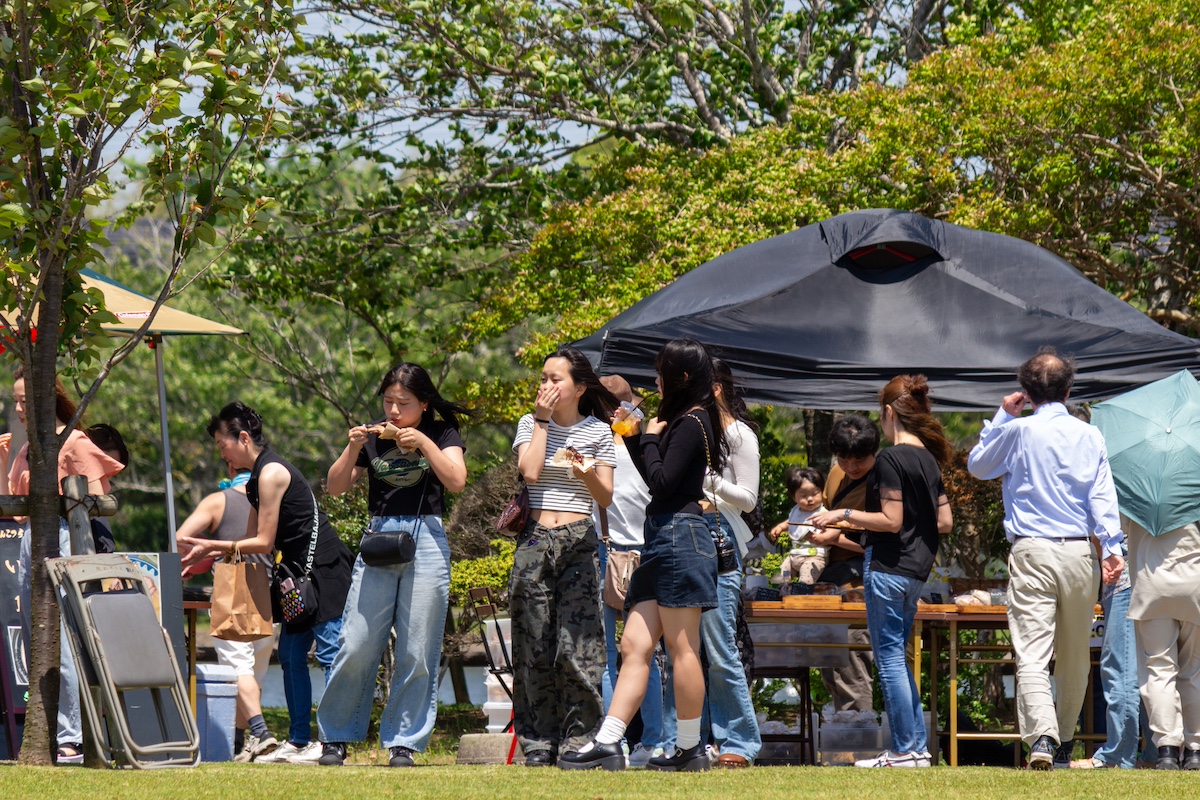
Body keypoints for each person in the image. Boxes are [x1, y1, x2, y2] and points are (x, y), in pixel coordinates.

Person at [560, 338, 724, 772]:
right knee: (634, 644)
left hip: (679, 537)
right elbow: (658, 478)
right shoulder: (685, 420)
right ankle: (610, 742)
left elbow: (665, 482)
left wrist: (648, 437)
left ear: (681, 378)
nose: (655, 379)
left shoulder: (692, 420)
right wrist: (637, 438)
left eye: (661, 372)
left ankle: (690, 749)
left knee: (682, 648)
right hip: (663, 538)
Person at [967, 347, 1124, 769]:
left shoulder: (1016, 431)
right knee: (1075, 653)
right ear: (1069, 391)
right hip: (1078, 551)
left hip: (1032, 548)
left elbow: (978, 466)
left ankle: (1042, 737)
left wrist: (1003, 415)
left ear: (1026, 392)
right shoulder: (1089, 434)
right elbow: (1102, 496)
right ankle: (1065, 740)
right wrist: (1112, 548)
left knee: (1032, 652)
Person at [180, 402, 354, 764]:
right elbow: (247, 542)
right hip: (295, 579)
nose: (220, 452)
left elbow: (261, 541)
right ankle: (300, 741)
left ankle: (335, 740)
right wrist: (209, 557)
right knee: (290, 656)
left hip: (323, 571)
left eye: (221, 443)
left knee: (328, 655)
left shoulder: (272, 473)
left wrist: (211, 544)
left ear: (243, 438)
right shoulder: (258, 477)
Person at [316, 363, 469, 768]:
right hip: (380, 539)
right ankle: (335, 736)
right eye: (388, 401)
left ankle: (404, 741)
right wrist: (351, 448)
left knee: (417, 648)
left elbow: (456, 480)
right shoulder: (372, 435)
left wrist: (423, 444)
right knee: (357, 641)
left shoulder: (441, 433)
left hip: (427, 539)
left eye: (404, 403)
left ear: (424, 403)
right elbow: (334, 488)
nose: (394, 410)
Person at [810, 374, 953, 768]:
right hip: (916, 570)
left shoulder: (891, 457)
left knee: (888, 657)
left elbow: (890, 520)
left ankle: (906, 749)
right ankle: (917, 748)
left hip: (888, 567)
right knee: (897, 658)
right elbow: (944, 522)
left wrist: (842, 514)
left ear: (888, 413)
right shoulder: (927, 458)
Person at [1, 367, 124, 765]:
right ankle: (51, 732)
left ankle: (73, 736)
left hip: (64, 537)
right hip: (31, 541)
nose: (19, 408)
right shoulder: (27, 448)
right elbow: (15, 509)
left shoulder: (71, 441)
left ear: (47, 397)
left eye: (25, 400)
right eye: (15, 401)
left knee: (68, 638)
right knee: (39, 641)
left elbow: (98, 494)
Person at [509, 345, 617, 767]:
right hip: (535, 537)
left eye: (556, 379)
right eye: (543, 378)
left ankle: (579, 740)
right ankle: (537, 743)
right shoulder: (529, 423)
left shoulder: (599, 430)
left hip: (579, 537)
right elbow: (531, 472)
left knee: (579, 646)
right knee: (532, 643)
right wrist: (540, 421)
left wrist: (585, 469)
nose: (546, 386)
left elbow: (604, 495)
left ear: (579, 386)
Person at [660, 356, 761, 768]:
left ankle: (740, 742)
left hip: (719, 541)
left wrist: (708, 481)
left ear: (714, 387)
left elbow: (750, 500)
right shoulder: (686, 428)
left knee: (719, 648)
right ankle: (682, 741)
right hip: (682, 538)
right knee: (681, 647)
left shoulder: (738, 435)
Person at [176, 465, 279, 762]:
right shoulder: (274, 497)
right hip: (269, 589)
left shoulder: (217, 501)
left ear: (230, 464)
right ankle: (238, 745)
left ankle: (261, 732)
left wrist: (204, 558)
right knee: (256, 669)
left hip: (233, 587)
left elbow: (182, 540)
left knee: (238, 669)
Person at [595, 374, 662, 768]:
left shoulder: (598, 450)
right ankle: (651, 741)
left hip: (607, 554)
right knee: (644, 653)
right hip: (646, 552)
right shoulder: (646, 449)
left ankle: (612, 740)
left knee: (609, 657)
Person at [807, 414, 879, 715]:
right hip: (831, 580)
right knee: (830, 664)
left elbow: (879, 545)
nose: (851, 467)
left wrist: (834, 539)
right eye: (844, 459)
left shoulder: (883, 482)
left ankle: (859, 739)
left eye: (859, 459)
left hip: (859, 581)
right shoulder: (836, 474)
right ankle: (844, 739)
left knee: (853, 659)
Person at [1124, 513, 1200, 769]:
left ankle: (1167, 750)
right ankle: (1195, 750)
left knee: (1159, 668)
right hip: (1194, 582)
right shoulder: (1192, 478)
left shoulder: (1137, 482)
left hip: (1152, 584)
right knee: (1194, 671)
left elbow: (1120, 524)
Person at [770, 466, 828, 589]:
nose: (810, 499)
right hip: (794, 556)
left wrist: (823, 538)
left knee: (805, 580)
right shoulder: (796, 512)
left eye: (815, 493)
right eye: (803, 495)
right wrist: (780, 527)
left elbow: (835, 529)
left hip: (814, 558)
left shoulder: (823, 513)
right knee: (781, 575)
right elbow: (791, 523)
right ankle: (781, 592)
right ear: (793, 497)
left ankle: (802, 595)